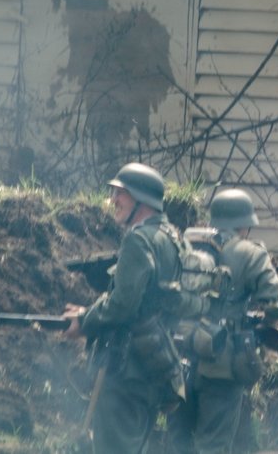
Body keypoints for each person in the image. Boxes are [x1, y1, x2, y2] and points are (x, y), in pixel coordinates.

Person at [62, 162, 186, 453]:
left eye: (121, 194)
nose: (113, 201)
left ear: (142, 200)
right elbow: (146, 302)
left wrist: (85, 321)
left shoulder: (138, 239)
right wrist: (90, 312)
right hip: (153, 365)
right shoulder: (171, 238)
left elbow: (123, 304)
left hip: (125, 370)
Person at [166, 188, 278, 453]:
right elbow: (276, 305)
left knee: (177, 439)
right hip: (222, 362)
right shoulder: (250, 253)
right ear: (245, 224)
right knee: (213, 444)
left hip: (182, 352)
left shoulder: (186, 243)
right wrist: (265, 319)